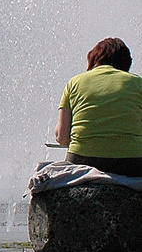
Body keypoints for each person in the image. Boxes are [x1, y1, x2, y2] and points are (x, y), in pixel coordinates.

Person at [54, 36, 142, 178]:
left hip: (82, 160)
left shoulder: (74, 83)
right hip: (131, 164)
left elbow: (62, 138)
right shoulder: (137, 83)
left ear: (94, 59)